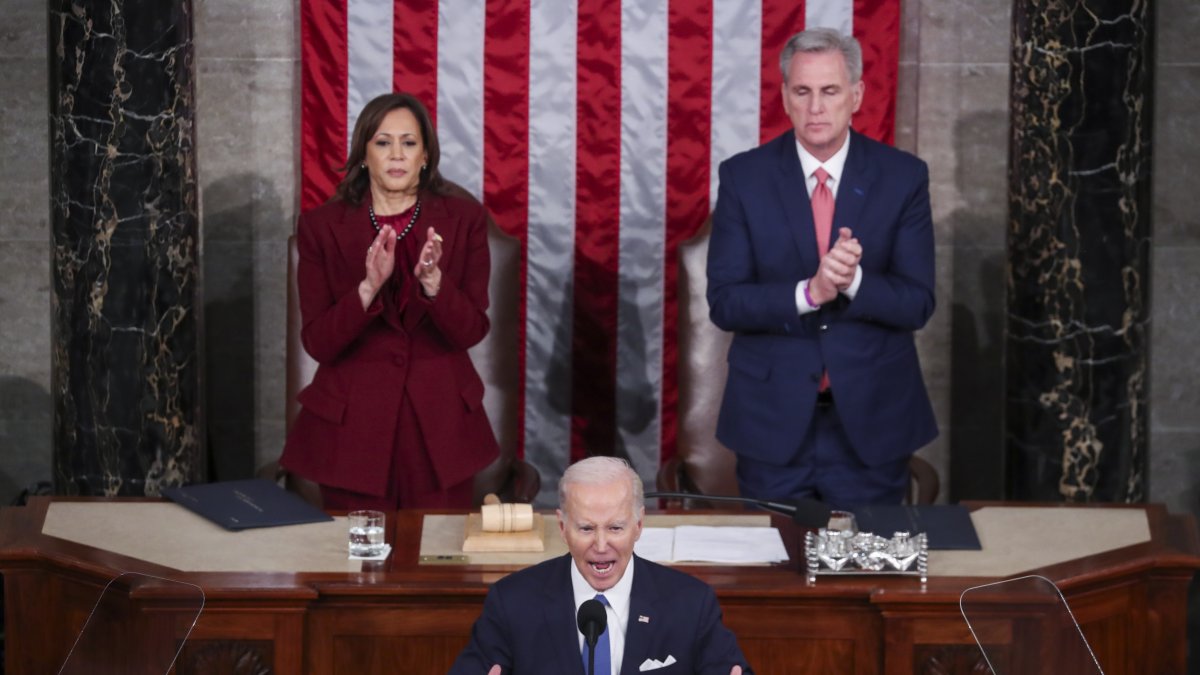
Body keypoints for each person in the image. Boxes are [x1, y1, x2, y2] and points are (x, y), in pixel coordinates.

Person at [706, 28, 937, 509]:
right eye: (802, 91)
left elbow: (917, 303)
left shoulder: (903, 177)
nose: (815, 107)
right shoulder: (743, 177)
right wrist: (809, 293)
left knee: (867, 557)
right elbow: (725, 302)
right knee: (774, 557)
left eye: (830, 91)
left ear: (856, 96)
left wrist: (852, 281)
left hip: (872, 421)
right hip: (772, 422)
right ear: (785, 97)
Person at [278, 92, 499, 510]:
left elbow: (471, 330)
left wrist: (434, 283)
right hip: (351, 435)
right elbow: (318, 342)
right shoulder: (320, 227)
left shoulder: (465, 220)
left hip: (440, 430)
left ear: (425, 155)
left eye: (409, 142)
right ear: (364, 154)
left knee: (437, 551)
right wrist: (367, 289)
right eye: (383, 142)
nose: (396, 154)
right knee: (355, 553)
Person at [450, 456, 752, 675]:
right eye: (586, 528)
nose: (601, 545)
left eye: (615, 528)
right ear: (562, 527)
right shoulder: (513, 602)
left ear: (638, 525)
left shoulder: (691, 604)